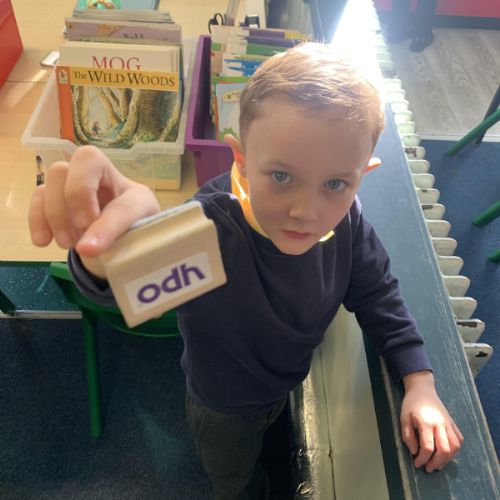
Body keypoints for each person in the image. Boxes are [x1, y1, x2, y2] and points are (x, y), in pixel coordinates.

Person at [28, 43, 463, 499]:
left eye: (336, 183)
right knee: (235, 480)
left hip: (284, 383)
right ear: (240, 158)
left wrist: (419, 381)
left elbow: (377, 293)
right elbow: (126, 288)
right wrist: (105, 251)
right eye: (281, 176)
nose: (306, 211)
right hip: (223, 407)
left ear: (362, 175)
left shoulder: (346, 221)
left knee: (272, 447)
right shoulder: (213, 233)